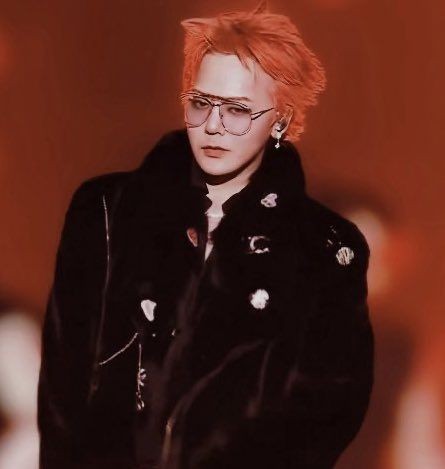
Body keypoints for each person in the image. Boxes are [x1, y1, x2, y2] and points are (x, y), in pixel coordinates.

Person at [38, 3, 374, 468]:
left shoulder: (324, 248)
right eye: (200, 103)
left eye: (237, 110)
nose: (213, 126)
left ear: (280, 119)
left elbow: (327, 411)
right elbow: (63, 386)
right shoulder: (106, 211)